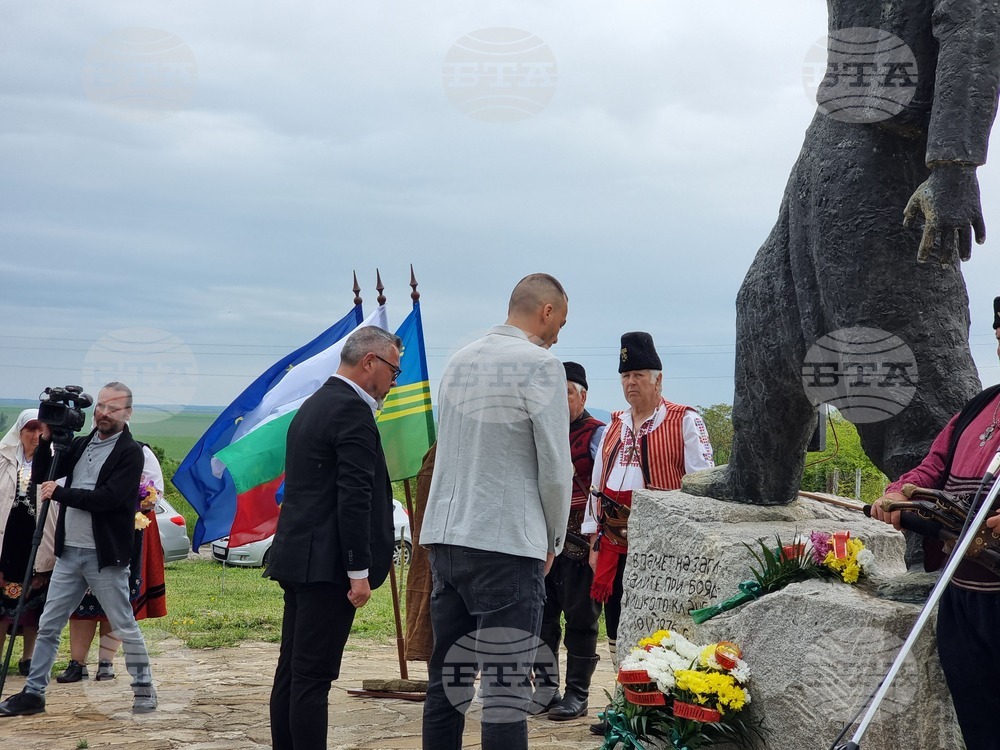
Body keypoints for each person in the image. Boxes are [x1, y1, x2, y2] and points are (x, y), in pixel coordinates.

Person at [687, 2, 1000, 508]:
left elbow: (974, 25)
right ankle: (757, 475)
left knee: (898, 350)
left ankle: (943, 538)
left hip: (894, 153)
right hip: (834, 134)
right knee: (768, 309)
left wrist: (953, 167)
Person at [420, 273, 572, 750]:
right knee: (505, 690)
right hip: (505, 542)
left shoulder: (459, 361)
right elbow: (554, 466)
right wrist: (553, 539)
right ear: (546, 310)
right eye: (560, 322)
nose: (558, 334)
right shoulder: (541, 365)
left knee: (448, 682)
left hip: (448, 536)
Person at [870, 296, 1000, 750]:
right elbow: (933, 467)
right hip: (962, 597)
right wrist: (897, 492)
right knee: (980, 725)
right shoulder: (977, 409)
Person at [266, 326, 399, 750]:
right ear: (370, 362)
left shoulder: (316, 403)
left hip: (300, 557)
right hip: (328, 568)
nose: (394, 382)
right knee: (312, 678)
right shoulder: (351, 411)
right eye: (393, 371)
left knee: (292, 671)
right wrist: (357, 571)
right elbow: (354, 497)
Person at [582, 332, 714, 735]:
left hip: (664, 544)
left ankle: (659, 709)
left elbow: (703, 483)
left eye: (639, 374)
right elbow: (598, 481)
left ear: (659, 379)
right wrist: (592, 536)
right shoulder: (614, 425)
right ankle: (625, 705)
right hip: (614, 541)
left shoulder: (684, 419)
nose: (630, 383)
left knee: (659, 625)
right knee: (619, 623)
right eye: (625, 376)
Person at [0, 382, 156, 716]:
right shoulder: (83, 444)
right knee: (50, 624)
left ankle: (144, 688)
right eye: (100, 406)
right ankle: (33, 693)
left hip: (105, 555)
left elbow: (109, 499)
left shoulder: (130, 452)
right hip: (69, 552)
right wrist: (45, 440)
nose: (103, 413)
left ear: (127, 413)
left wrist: (59, 493)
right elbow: (45, 474)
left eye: (112, 408)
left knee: (124, 623)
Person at [56, 443, 167, 683]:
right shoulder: (83, 450)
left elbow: (154, 495)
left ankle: (105, 662)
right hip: (83, 532)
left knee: (114, 601)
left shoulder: (139, 452)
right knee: (82, 601)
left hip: (121, 534)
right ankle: (77, 663)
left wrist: (141, 500)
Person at [533, 362, 605, 721]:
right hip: (541, 541)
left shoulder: (596, 435)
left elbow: (606, 487)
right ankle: (546, 689)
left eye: (565, 394)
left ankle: (578, 694)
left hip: (581, 542)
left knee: (580, 620)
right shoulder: (539, 431)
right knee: (542, 619)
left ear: (582, 395)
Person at [0, 410, 57, 677]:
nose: (35, 436)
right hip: (7, 535)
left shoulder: (54, 462)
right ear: (19, 432)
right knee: (1, 601)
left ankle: (28, 657)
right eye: (30, 430)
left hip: (38, 535)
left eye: (40, 431)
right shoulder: (3, 458)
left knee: (35, 601)